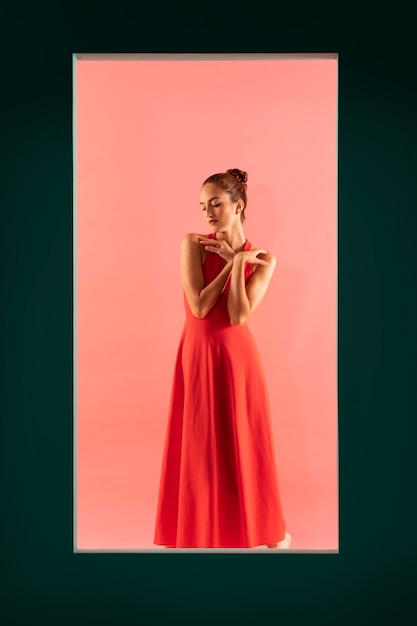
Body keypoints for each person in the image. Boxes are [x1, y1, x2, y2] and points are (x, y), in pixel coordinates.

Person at [153, 168, 291, 549]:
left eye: (215, 203)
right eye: (203, 206)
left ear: (238, 205)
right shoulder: (192, 243)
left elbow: (237, 316)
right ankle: (196, 529)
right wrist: (232, 265)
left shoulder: (265, 258)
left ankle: (260, 528)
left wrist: (239, 261)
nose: (208, 212)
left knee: (245, 443)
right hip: (197, 351)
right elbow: (198, 307)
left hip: (237, 358)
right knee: (197, 442)